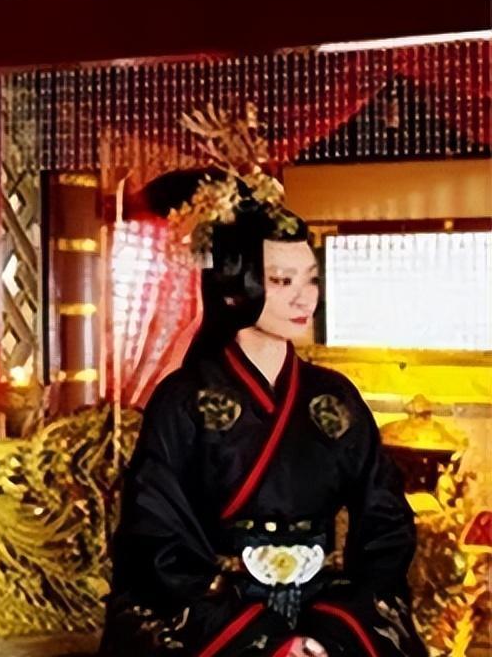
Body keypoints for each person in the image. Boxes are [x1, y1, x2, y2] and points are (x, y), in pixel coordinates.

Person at [101, 168, 426, 657]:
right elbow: (156, 533)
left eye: (311, 279)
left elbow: (386, 519)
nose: (304, 296)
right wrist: (265, 638)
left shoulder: (335, 397)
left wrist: (332, 625)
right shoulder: (183, 400)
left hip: (327, 611)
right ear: (233, 288)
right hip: (219, 614)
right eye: (282, 280)